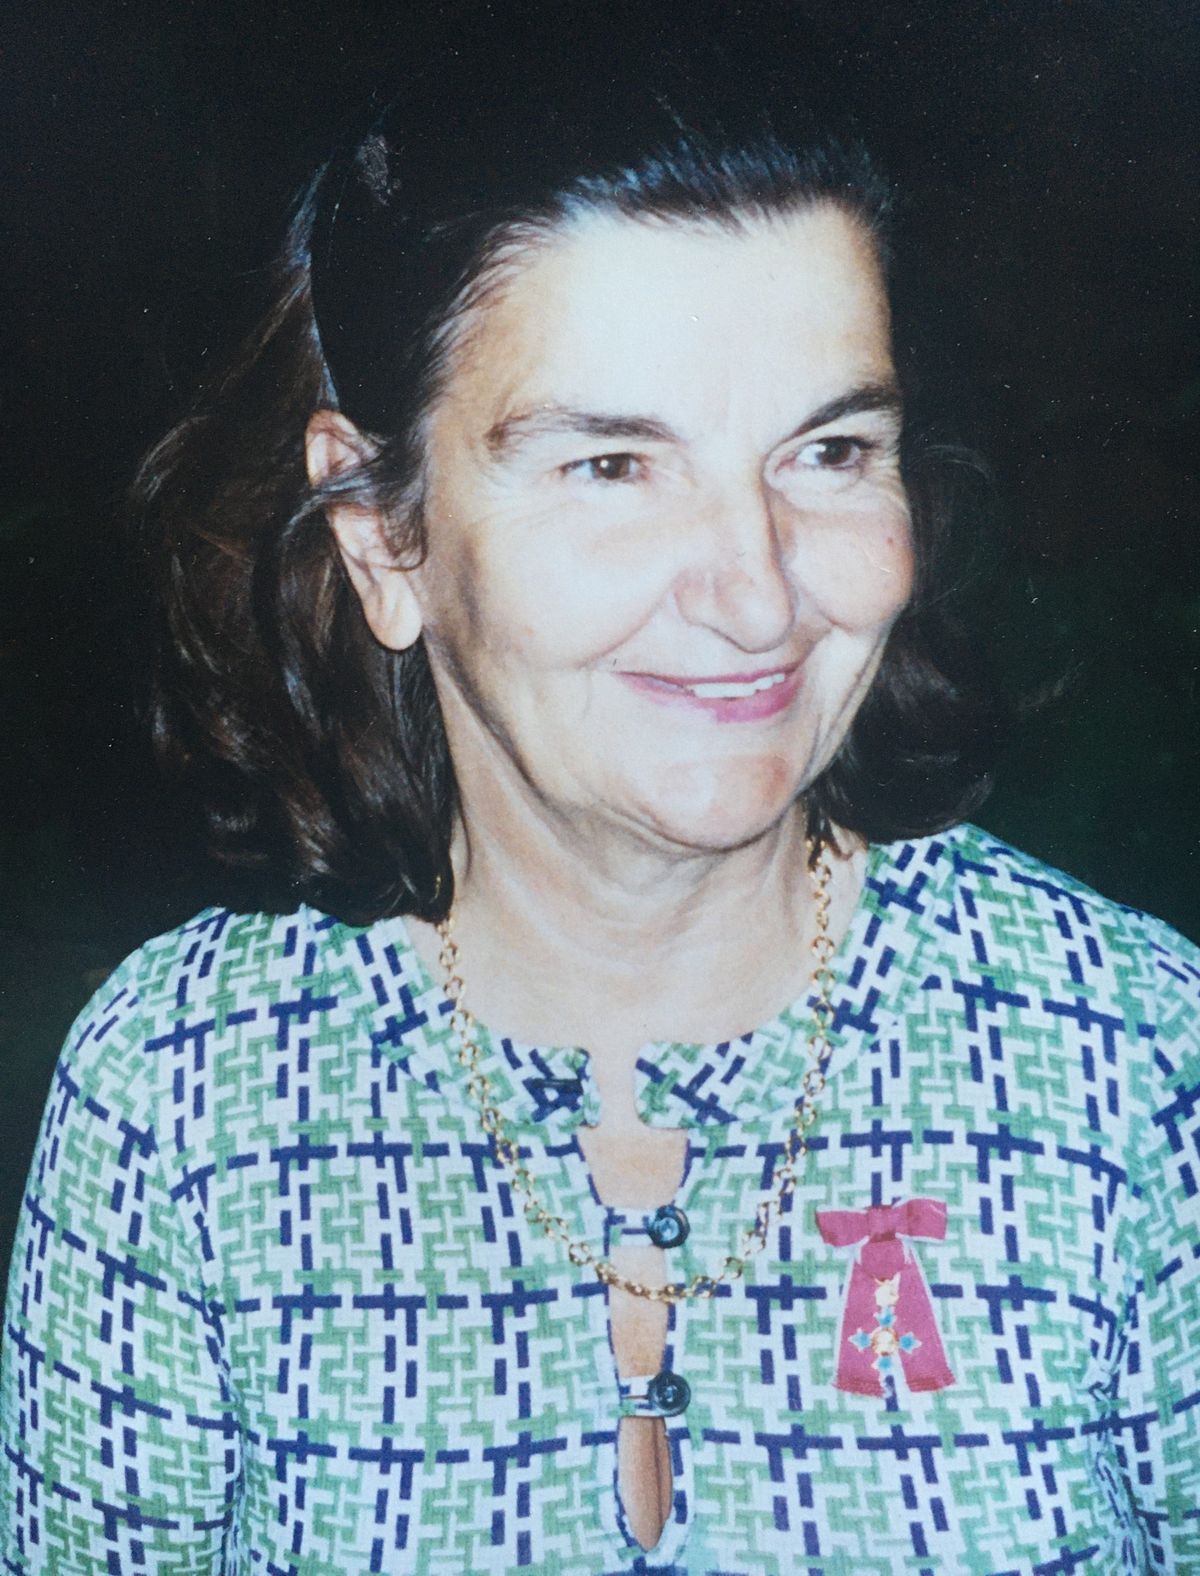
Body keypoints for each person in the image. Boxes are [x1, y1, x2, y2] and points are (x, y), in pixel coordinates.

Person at [2, 23, 1197, 1576]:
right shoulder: (183, 1105)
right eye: (613, 466)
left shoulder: (1131, 1064)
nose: (755, 594)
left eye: (831, 449)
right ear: (383, 539)